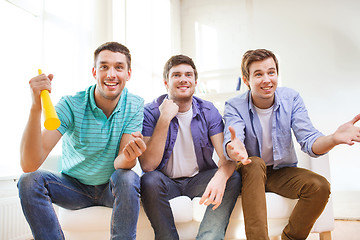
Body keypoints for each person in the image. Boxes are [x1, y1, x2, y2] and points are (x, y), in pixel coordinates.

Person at [223, 48, 360, 240]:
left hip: (280, 172)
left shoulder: (291, 98)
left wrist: (333, 139)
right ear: (246, 80)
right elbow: (233, 139)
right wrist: (234, 147)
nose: (266, 79)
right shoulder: (234, 105)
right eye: (258, 74)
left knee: (319, 186)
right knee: (254, 164)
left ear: (277, 74)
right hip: (249, 172)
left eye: (271, 72)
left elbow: (309, 140)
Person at [17, 42, 146, 240]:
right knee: (28, 181)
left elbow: (121, 163)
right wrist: (36, 107)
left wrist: (130, 157)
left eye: (119, 67)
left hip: (110, 187)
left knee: (128, 177)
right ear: (95, 71)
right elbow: (29, 164)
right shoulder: (71, 105)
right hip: (73, 188)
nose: (111, 74)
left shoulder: (135, 104)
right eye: (104, 67)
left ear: (128, 74)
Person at [139, 54, 241, 240]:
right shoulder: (151, 111)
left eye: (188, 75)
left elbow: (225, 159)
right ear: (166, 83)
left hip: (198, 181)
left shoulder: (208, 111)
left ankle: (208, 238)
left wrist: (221, 174)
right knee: (148, 180)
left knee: (232, 176)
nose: (183, 79)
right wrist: (164, 118)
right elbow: (147, 166)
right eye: (176, 75)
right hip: (166, 182)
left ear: (195, 81)